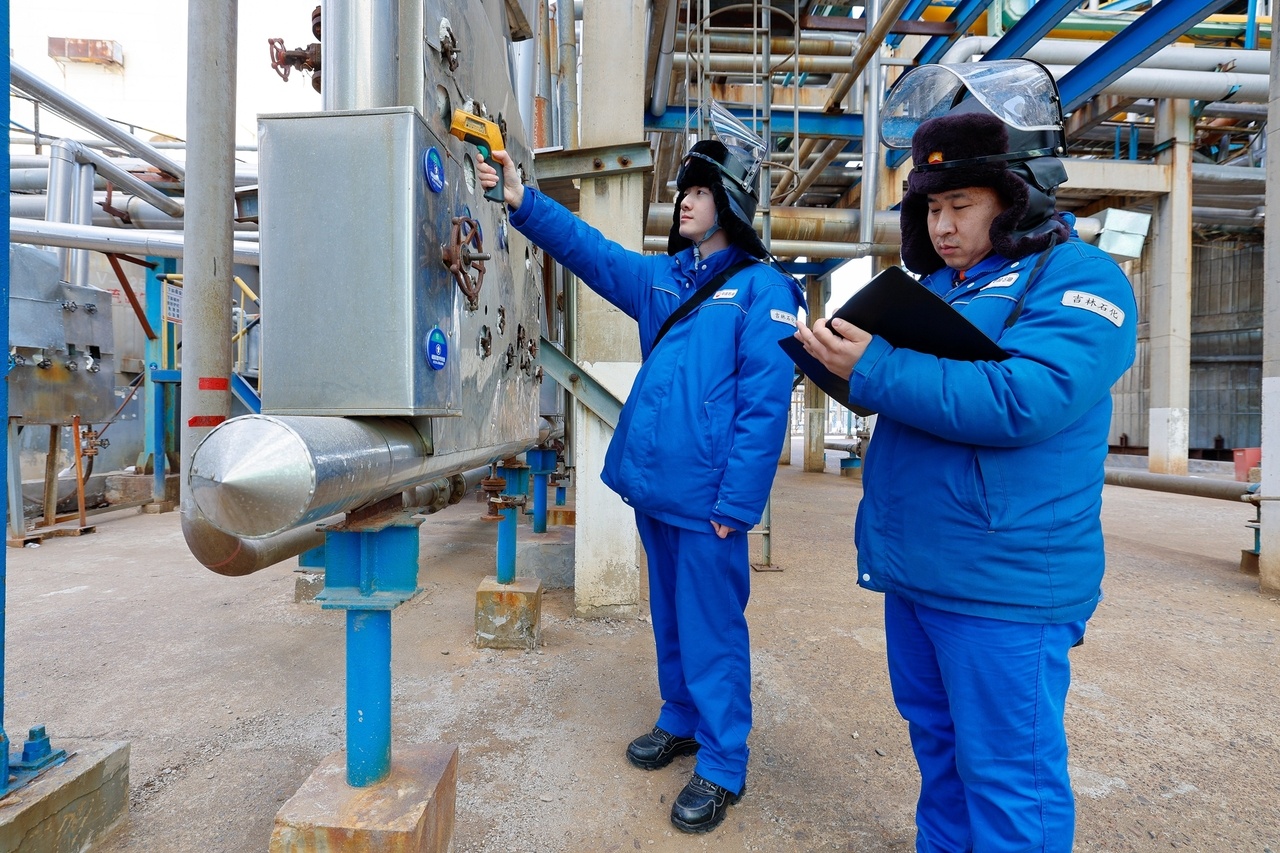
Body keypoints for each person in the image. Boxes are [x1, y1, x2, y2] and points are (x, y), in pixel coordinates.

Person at [795, 60, 1138, 851]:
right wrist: (844, 365)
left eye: (961, 205)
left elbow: (1026, 397)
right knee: (941, 759)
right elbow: (924, 397)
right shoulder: (943, 291)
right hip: (920, 572)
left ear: (1016, 198)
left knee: (1009, 777)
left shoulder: (1080, 280)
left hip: (1002, 587)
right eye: (932, 208)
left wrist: (879, 368)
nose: (943, 226)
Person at [479, 104, 804, 834]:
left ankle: (723, 761)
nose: (684, 200)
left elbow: (764, 408)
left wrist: (738, 504)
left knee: (713, 628)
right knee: (672, 618)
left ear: (730, 205)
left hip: (710, 501)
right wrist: (524, 201)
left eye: (700, 190)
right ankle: (681, 717)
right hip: (657, 491)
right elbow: (591, 252)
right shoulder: (664, 280)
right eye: (684, 189)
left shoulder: (764, 290)